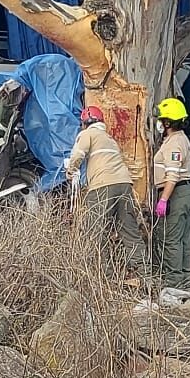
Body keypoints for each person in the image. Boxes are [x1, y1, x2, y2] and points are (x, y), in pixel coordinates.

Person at [67, 106, 145, 269]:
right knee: (129, 231)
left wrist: (71, 171)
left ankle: (104, 277)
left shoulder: (87, 134)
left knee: (95, 232)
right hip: (124, 185)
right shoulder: (109, 139)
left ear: (85, 123)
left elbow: (78, 155)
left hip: (102, 186)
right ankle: (145, 275)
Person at [151, 97, 190, 288]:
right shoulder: (180, 139)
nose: (159, 123)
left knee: (170, 239)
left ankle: (173, 281)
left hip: (177, 193)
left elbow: (173, 175)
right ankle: (185, 277)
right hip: (187, 191)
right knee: (184, 239)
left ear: (168, 122)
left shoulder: (174, 144)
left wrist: (163, 199)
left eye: (162, 120)